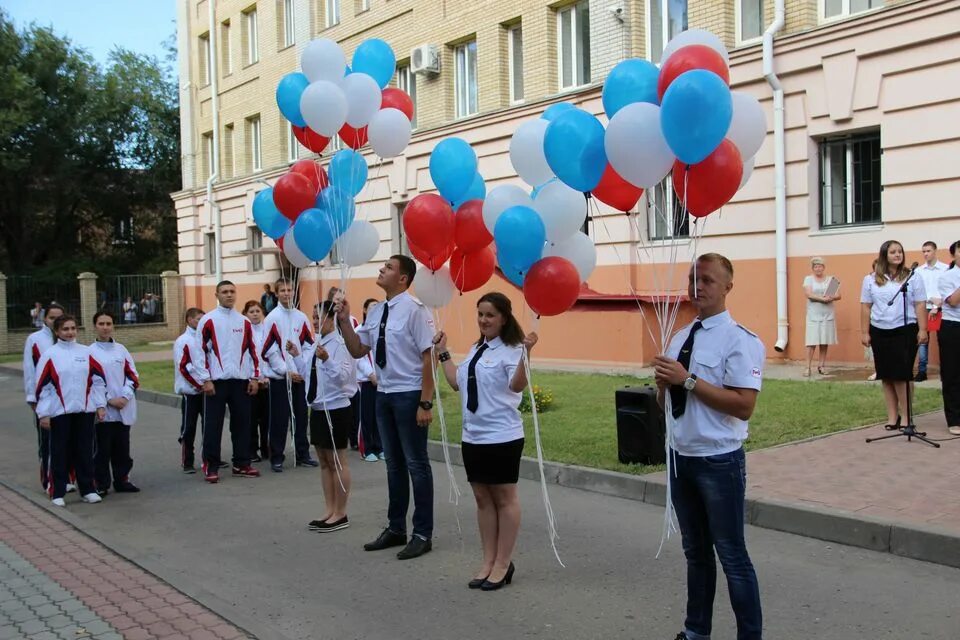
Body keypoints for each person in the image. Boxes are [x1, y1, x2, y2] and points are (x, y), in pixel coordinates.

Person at [652, 253, 765, 640]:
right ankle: (696, 630)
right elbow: (665, 404)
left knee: (732, 555)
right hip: (681, 457)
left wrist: (686, 381)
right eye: (692, 279)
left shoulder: (740, 340)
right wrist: (664, 385)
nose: (697, 287)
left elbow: (744, 405)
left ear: (727, 288)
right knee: (695, 554)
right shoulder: (681, 336)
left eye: (707, 280)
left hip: (718, 461)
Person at [434, 292, 538, 591]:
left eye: (490, 315)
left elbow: (517, 385)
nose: (483, 320)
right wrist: (443, 353)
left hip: (502, 436)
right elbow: (457, 383)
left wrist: (527, 355)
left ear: (504, 318)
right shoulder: (476, 348)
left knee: (504, 498)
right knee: (482, 499)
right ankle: (488, 560)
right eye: (480, 314)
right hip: (473, 436)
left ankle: (504, 563)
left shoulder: (513, 349)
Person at [338, 255, 437, 560]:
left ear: (404, 278)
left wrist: (425, 402)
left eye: (389, 268)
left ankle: (422, 533)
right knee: (393, 465)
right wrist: (344, 321)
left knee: (416, 465)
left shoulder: (416, 311)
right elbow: (358, 349)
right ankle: (396, 528)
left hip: (409, 396)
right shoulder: (378, 311)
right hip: (384, 394)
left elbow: (428, 357)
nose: (381, 270)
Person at [293, 301, 357, 532]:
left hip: (337, 407)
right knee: (324, 461)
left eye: (319, 317)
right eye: (313, 317)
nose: (315, 321)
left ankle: (341, 512)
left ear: (331, 318)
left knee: (338, 460)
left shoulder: (340, 345)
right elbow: (308, 376)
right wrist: (297, 356)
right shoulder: (316, 343)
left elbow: (344, 378)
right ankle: (329, 509)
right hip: (318, 408)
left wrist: (327, 359)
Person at [190, 281, 262, 483]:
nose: (229, 295)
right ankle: (210, 465)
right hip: (216, 383)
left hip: (240, 382)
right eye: (224, 292)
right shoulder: (209, 321)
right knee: (213, 425)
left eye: (232, 292)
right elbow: (199, 351)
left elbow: (253, 351)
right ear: (217, 294)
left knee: (242, 424)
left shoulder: (244, 321)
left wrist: (254, 377)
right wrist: (205, 379)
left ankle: (242, 463)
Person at [34, 315, 107, 507]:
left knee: (84, 450)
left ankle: (88, 489)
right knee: (59, 452)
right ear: (57, 331)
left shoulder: (86, 353)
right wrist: (44, 413)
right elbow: (42, 387)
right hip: (60, 412)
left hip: (84, 411)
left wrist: (100, 405)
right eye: (65, 329)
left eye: (73, 328)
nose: (70, 332)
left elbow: (98, 381)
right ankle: (57, 491)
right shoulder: (50, 355)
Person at [860, 240, 928, 430]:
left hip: (904, 329)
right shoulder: (871, 279)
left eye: (900, 252)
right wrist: (864, 332)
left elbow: (920, 304)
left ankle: (907, 417)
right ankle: (892, 417)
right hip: (879, 330)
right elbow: (865, 306)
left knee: (901, 375)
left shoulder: (912, 277)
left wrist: (923, 329)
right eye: (893, 252)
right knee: (886, 375)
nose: (897, 255)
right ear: (884, 255)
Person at [261, 277, 318, 472]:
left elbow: (309, 345)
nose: (286, 293)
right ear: (276, 293)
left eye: (289, 290)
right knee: (279, 418)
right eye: (282, 290)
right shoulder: (272, 318)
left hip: (299, 377)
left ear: (294, 292)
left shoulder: (301, 317)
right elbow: (269, 350)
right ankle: (276, 456)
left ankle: (303, 453)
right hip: (280, 378)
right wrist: (286, 371)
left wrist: (301, 368)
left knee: (301, 416)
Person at [89, 311, 140, 495]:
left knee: (122, 448)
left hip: (122, 407)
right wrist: (108, 400)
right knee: (102, 450)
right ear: (95, 326)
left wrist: (125, 397)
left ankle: (122, 480)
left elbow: (133, 375)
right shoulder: (90, 352)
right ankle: (101, 484)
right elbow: (91, 382)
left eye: (108, 323)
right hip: (103, 410)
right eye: (101, 323)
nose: (105, 327)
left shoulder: (121, 350)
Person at [23, 303, 66, 492]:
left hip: (67, 401)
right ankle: (49, 480)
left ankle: (65, 478)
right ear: (44, 319)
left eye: (59, 318)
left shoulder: (68, 338)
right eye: (51, 318)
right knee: (47, 441)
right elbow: (30, 370)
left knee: (67, 441)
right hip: (45, 401)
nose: (55, 321)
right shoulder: (35, 340)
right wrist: (33, 397)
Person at [174, 307, 205, 473]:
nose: (201, 322)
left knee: (208, 426)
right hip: (191, 392)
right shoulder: (183, 341)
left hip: (206, 391)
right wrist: (200, 384)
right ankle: (187, 461)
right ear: (189, 320)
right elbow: (184, 367)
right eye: (198, 319)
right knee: (189, 427)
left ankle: (208, 457)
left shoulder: (205, 339)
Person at [352, 298, 382, 462]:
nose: (375, 310)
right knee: (366, 415)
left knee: (379, 415)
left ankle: (379, 446)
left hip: (380, 381)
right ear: (364, 310)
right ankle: (367, 448)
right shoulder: (359, 331)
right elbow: (358, 357)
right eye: (371, 307)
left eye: (377, 307)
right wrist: (370, 374)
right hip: (366, 380)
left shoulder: (380, 330)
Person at [915, 241, 949, 382]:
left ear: (935, 251)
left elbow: (947, 289)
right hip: (924, 308)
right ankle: (922, 371)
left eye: (928, 251)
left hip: (942, 308)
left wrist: (937, 306)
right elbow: (918, 292)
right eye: (923, 251)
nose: (925, 254)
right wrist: (930, 300)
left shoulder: (945, 269)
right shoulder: (919, 271)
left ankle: (945, 370)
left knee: (944, 340)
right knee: (923, 340)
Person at [802, 257, 840, 377]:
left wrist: (831, 297)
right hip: (814, 314)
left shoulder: (831, 280)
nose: (818, 268)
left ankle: (821, 365)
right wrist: (822, 299)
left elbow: (838, 295)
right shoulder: (808, 279)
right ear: (813, 268)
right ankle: (807, 367)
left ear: (824, 267)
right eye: (816, 266)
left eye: (820, 266)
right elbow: (808, 294)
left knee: (824, 341)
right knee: (811, 341)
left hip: (827, 314)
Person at [243, 300, 270, 463]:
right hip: (251, 381)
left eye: (257, 311)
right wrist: (252, 377)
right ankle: (252, 450)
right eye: (251, 311)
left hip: (267, 381)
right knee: (251, 418)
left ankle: (267, 448)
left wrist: (267, 376)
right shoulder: (244, 332)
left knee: (267, 418)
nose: (254, 314)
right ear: (245, 314)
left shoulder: (267, 331)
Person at [938, 242, 960, 435]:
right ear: (954, 255)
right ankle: (954, 419)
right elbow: (953, 301)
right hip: (953, 326)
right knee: (952, 372)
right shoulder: (947, 277)